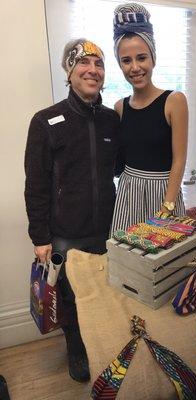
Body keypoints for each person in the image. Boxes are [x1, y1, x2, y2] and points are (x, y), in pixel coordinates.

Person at [24, 39, 120, 382]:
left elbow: (120, 168)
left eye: (99, 65)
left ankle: (104, 344)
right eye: (84, 64)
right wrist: (40, 236)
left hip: (106, 230)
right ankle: (76, 347)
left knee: (105, 295)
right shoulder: (46, 121)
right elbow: (35, 185)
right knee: (70, 298)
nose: (92, 70)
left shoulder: (111, 121)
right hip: (65, 234)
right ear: (69, 71)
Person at [111, 2, 188, 233]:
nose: (135, 67)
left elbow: (179, 159)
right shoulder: (119, 107)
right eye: (126, 60)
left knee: (167, 263)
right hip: (128, 193)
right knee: (127, 263)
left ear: (153, 58)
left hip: (164, 194)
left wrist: (168, 205)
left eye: (141, 57)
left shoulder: (174, 101)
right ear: (120, 65)